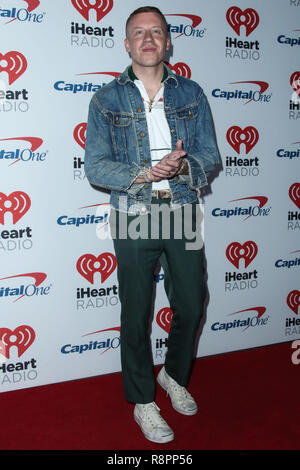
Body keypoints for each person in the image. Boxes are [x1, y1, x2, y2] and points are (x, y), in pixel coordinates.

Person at [85, 6, 220, 444]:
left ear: (167, 42)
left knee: (193, 304)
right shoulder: (105, 100)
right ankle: (144, 400)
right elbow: (96, 167)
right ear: (127, 45)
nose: (148, 39)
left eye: (156, 32)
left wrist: (177, 172)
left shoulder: (193, 94)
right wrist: (146, 173)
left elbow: (210, 155)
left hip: (182, 210)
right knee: (136, 312)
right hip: (134, 213)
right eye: (138, 33)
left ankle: (174, 376)